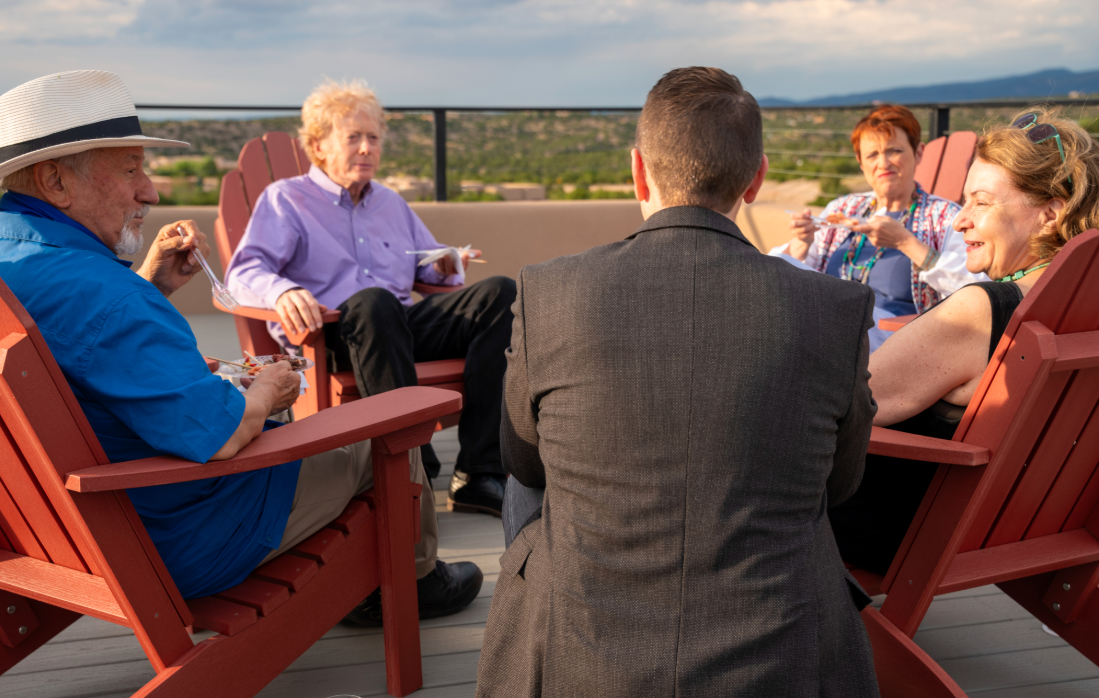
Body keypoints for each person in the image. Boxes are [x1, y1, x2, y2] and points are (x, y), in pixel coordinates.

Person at [0, 70, 482, 625]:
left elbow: (75, 347)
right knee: (384, 439)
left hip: (55, 533)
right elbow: (224, 434)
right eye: (131, 168)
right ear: (55, 180)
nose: (150, 191)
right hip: (181, 533)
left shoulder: (23, 268)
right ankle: (418, 583)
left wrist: (146, 285)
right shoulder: (105, 297)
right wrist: (269, 391)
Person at [477, 67, 880, 697]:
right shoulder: (833, 308)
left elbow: (522, 461)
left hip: (578, 655)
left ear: (639, 171)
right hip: (780, 654)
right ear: (757, 178)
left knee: (533, 483)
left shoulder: (549, 292)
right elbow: (843, 481)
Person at [224, 80, 515, 517]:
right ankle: (414, 466)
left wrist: (443, 264)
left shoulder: (391, 204)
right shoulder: (286, 200)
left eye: (373, 138)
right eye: (353, 138)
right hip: (334, 335)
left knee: (501, 293)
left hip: (402, 324)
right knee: (373, 300)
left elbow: (424, 263)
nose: (365, 148)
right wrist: (283, 289)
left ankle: (478, 472)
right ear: (318, 147)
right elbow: (244, 271)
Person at [830, 108, 1099, 574]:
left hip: (894, 526)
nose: (960, 221)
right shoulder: (1079, 311)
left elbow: (844, 407)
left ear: (1050, 214)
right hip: (1015, 528)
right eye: (962, 202)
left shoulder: (983, 310)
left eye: (980, 202)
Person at [772, 105, 985, 351]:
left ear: (918, 153)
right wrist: (802, 241)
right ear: (861, 163)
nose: (883, 163)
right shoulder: (842, 209)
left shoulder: (946, 218)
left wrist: (906, 243)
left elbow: (976, 288)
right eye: (872, 155)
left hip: (890, 340)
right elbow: (788, 273)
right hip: (826, 324)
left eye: (894, 150)